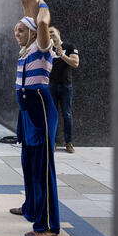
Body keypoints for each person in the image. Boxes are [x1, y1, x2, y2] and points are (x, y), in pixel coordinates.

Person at [10, 1, 60, 236]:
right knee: (28, 164)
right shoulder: (24, 53)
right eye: (15, 31)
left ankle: (47, 224)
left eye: (20, 30)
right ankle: (31, 206)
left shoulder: (41, 47)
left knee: (42, 168)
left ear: (31, 32)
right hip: (28, 113)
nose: (16, 35)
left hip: (40, 111)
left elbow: (42, 21)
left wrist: (38, 1)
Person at [49, 26, 80, 154]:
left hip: (66, 87)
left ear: (58, 33)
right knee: (52, 115)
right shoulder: (48, 49)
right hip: (51, 86)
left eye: (52, 32)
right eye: (48, 33)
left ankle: (69, 143)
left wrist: (62, 55)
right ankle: (53, 142)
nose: (50, 34)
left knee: (67, 115)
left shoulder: (70, 46)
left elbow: (75, 63)